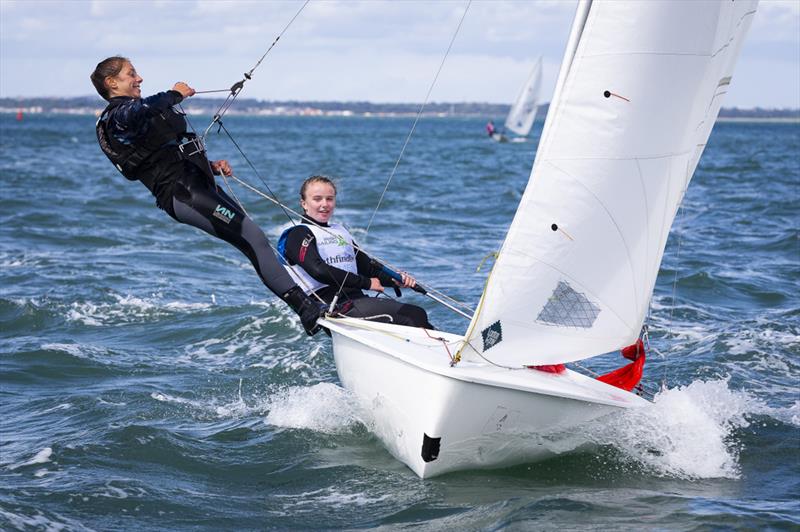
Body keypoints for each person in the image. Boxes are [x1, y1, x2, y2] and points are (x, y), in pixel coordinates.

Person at [90, 56, 323, 335]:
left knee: (253, 238)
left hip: (196, 185)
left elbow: (163, 154)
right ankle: (306, 308)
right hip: (183, 194)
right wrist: (175, 93)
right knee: (252, 236)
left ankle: (310, 304)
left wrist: (210, 167)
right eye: (131, 74)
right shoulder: (116, 117)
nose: (139, 78)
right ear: (111, 83)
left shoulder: (133, 116)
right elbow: (140, 114)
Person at [278, 176, 433, 329]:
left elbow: (367, 267)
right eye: (317, 199)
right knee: (414, 315)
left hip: (356, 300)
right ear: (304, 203)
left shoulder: (339, 231)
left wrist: (395, 280)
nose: (324, 204)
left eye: (329, 199)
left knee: (424, 323)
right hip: (332, 305)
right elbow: (318, 270)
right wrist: (366, 283)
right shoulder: (298, 234)